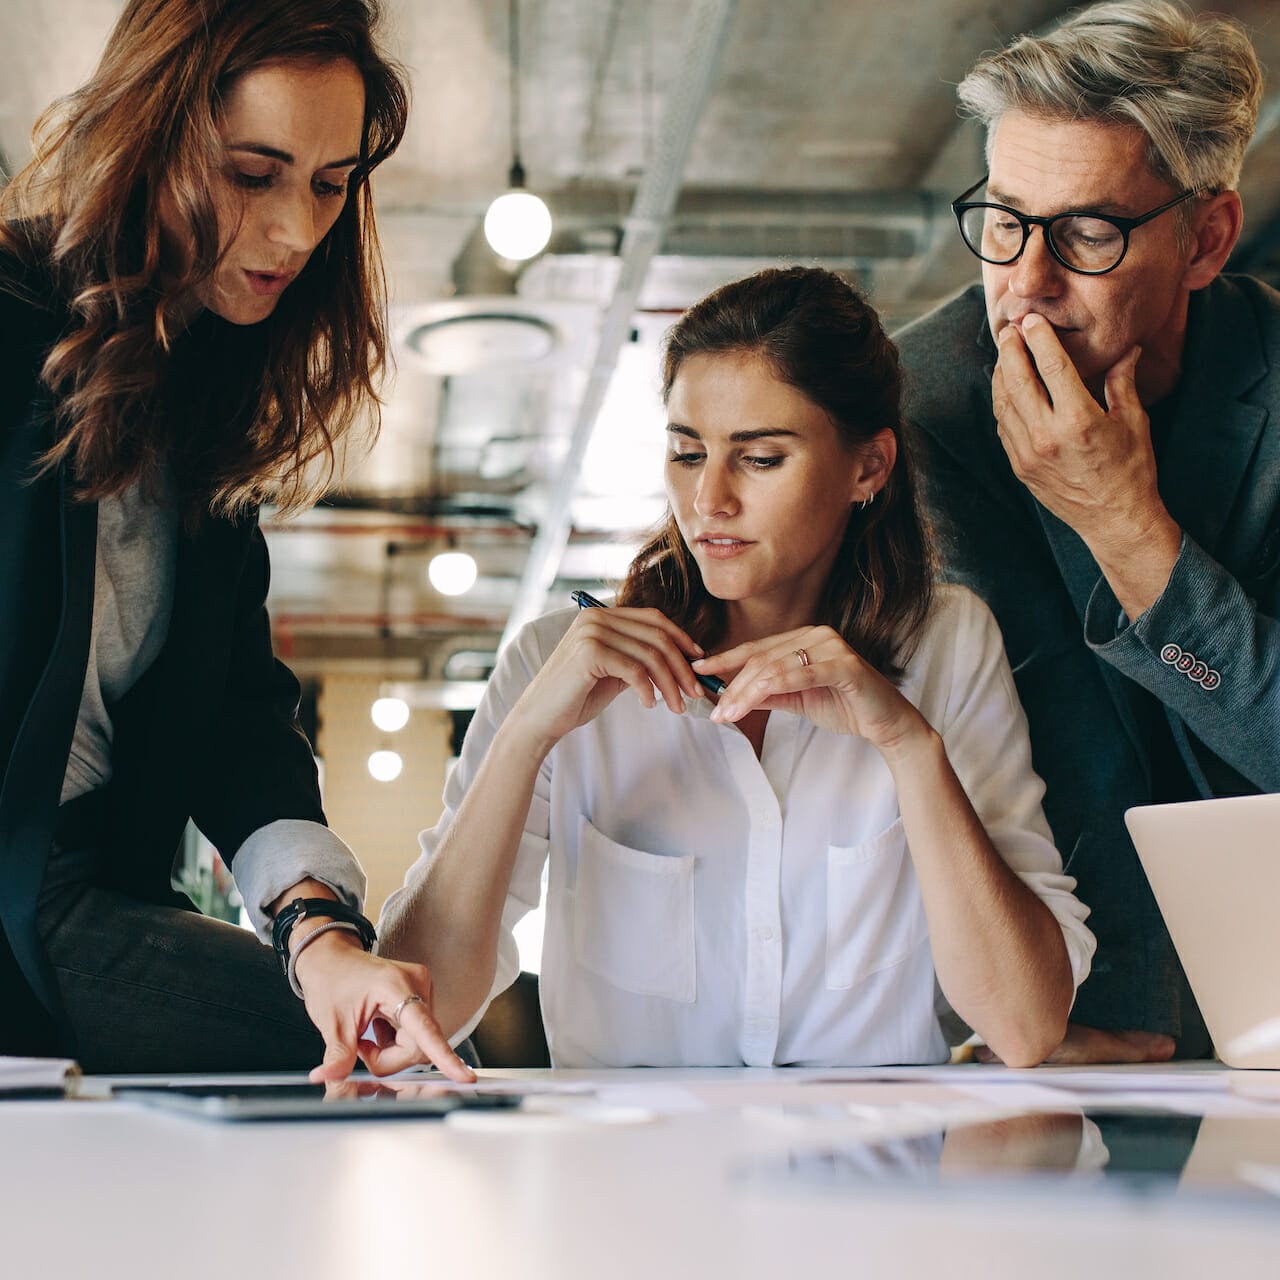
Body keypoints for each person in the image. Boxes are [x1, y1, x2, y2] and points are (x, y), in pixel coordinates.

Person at [379, 266, 1095, 1069]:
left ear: (868, 467)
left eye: (758, 459)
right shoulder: (556, 664)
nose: (708, 500)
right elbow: (415, 1013)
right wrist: (523, 740)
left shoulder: (950, 646)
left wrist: (907, 746)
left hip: (875, 1179)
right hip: (631, 1178)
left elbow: (1025, 1025)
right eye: (687, 453)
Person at [0, 0, 472, 1081]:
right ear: (148, 137)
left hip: (88, 888)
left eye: (329, 182)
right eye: (252, 173)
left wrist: (322, 935)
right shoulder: (12, 318)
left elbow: (232, 717)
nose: (298, 230)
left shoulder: (196, 392)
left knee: (374, 1041)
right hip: (34, 895)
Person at [895, 0, 1275, 1062]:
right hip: (1087, 997)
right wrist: (1114, 1006)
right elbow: (1048, 727)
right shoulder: (925, 406)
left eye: (1086, 233)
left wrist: (1126, 530)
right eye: (1006, 219)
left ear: (1204, 239)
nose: (1023, 284)